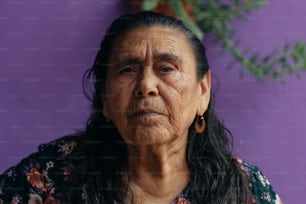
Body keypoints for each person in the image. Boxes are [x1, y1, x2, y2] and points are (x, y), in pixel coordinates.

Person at [0, 11, 282, 204]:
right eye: (127, 69)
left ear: (202, 92)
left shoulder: (247, 191)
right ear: (106, 100)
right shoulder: (53, 176)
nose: (146, 85)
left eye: (166, 68)